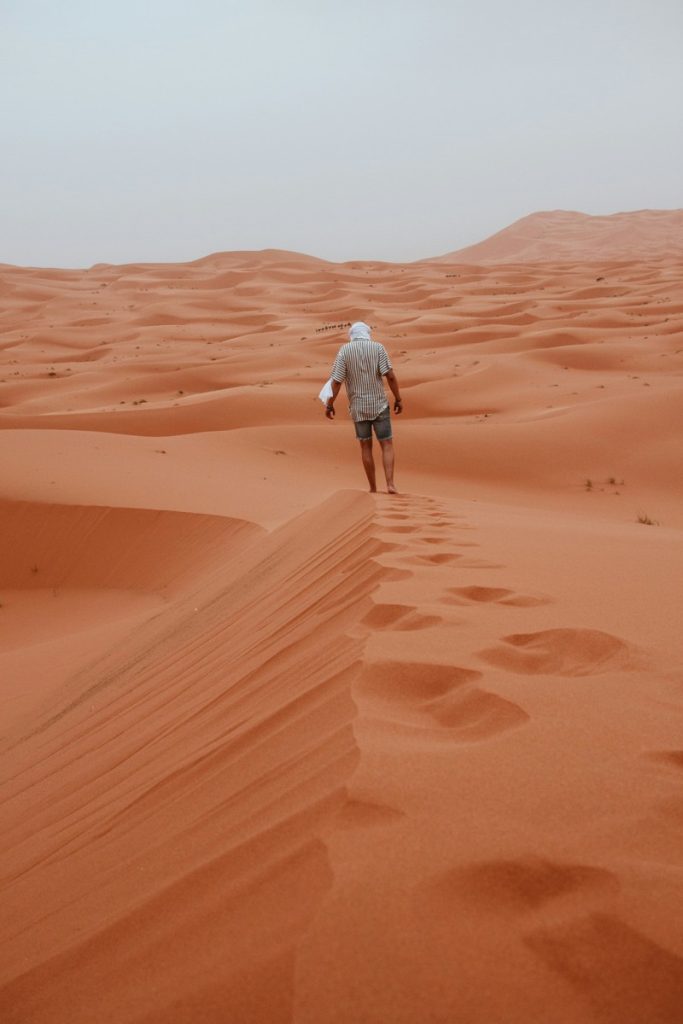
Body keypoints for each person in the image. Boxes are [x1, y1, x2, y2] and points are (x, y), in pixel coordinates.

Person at [325, 321, 403, 493]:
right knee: (387, 443)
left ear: (352, 334)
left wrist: (330, 404)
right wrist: (398, 398)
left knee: (366, 446)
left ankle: (373, 488)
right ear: (367, 333)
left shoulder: (344, 351)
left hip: (358, 408)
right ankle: (390, 484)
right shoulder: (378, 348)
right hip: (379, 405)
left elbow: (337, 381)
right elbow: (390, 376)